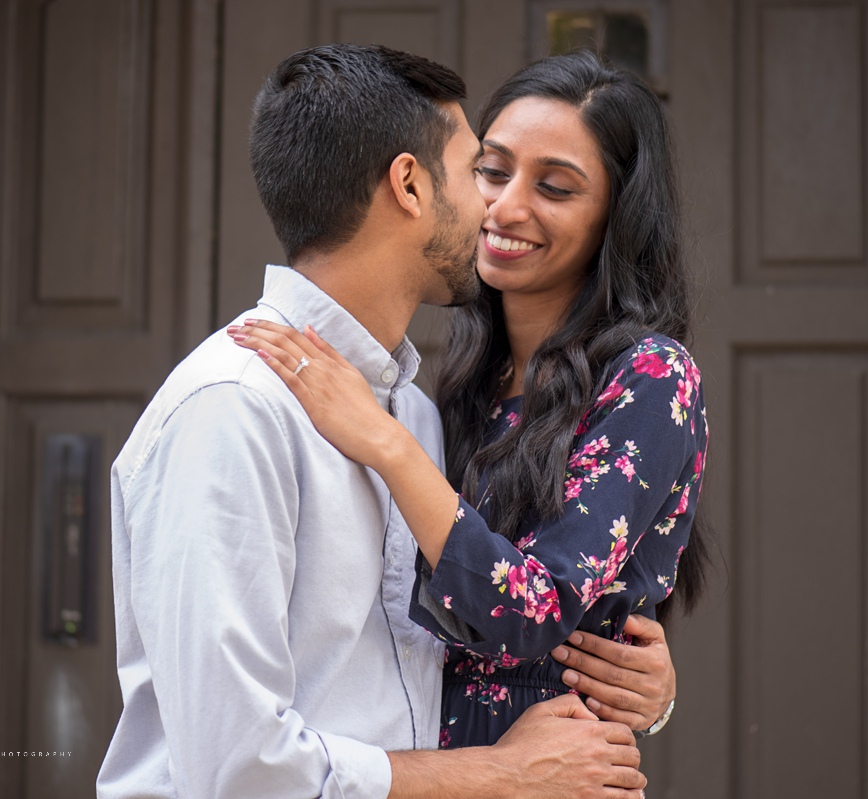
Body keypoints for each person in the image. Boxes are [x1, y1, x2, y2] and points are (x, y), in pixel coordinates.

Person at [97, 44, 664, 799]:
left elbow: (472, 635)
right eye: (480, 172)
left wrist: (634, 681)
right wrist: (497, 773)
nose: (494, 207)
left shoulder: (418, 418)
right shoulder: (233, 411)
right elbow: (236, 772)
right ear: (408, 185)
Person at [230, 51, 710, 750]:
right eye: (491, 170)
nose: (505, 206)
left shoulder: (650, 377)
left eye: (555, 186)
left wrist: (387, 445)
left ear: (616, 217)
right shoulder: (461, 383)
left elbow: (536, 609)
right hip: (434, 770)